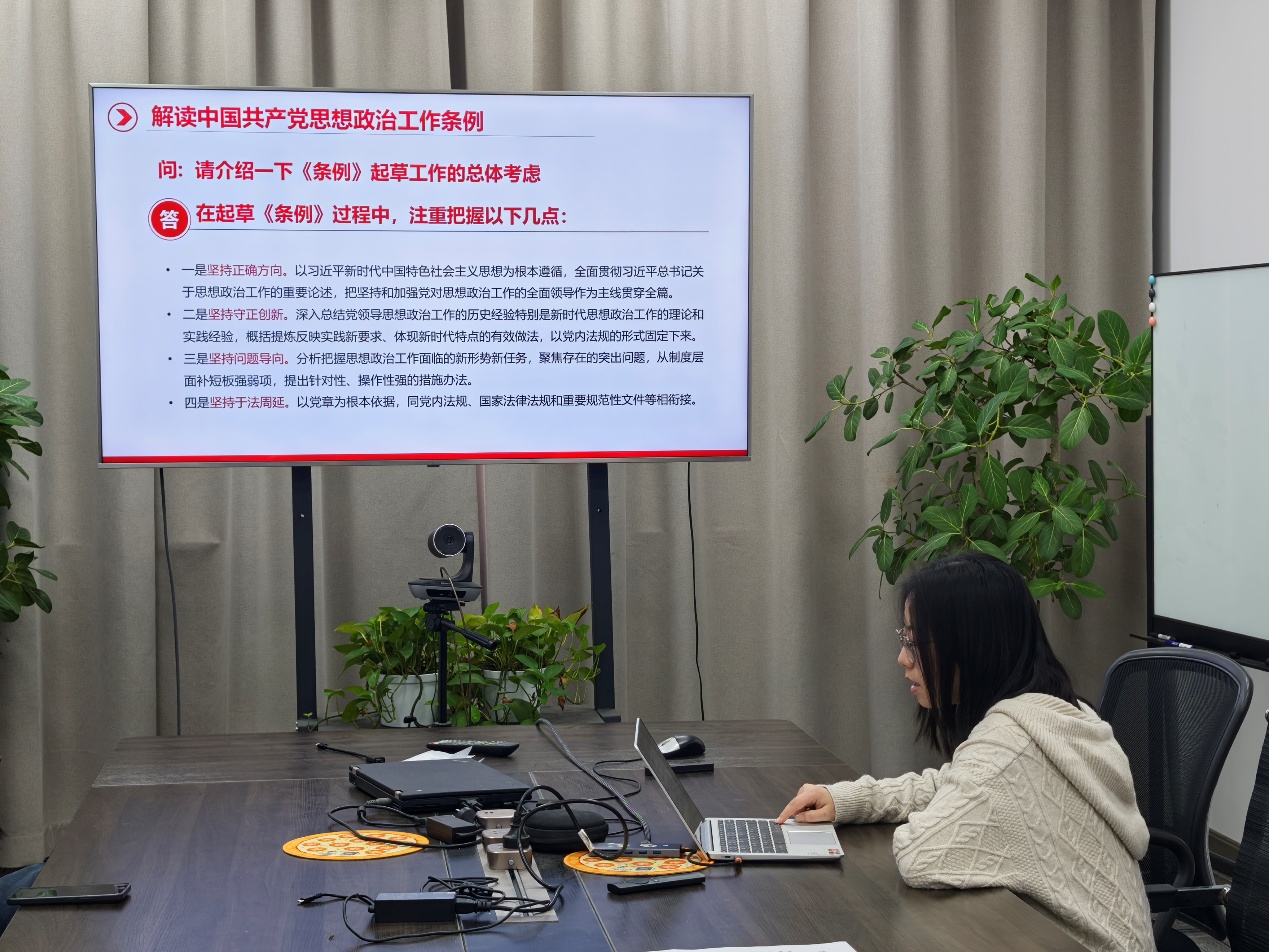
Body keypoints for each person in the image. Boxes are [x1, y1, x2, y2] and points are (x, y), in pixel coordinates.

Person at [777, 552, 1152, 952]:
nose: (902, 658)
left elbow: (920, 854)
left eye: (915, 642)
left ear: (972, 645)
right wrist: (848, 799)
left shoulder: (1009, 745)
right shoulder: (1057, 711)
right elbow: (952, 782)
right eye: (904, 639)